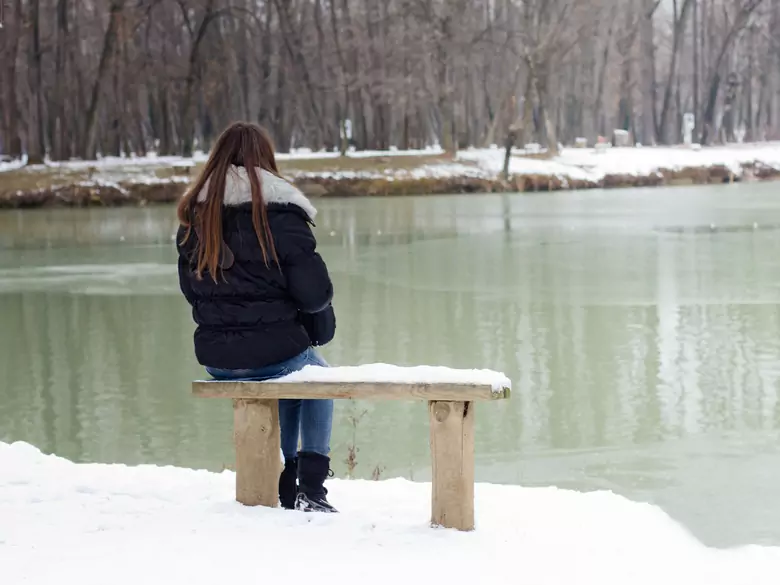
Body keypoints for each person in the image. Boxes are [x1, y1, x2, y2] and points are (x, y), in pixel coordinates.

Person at [175, 122, 337, 513]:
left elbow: (190, 292)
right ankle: (310, 486)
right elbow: (314, 293)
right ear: (265, 161)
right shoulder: (280, 212)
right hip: (274, 354)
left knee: (292, 371)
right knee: (317, 377)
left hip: (217, 360)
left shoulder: (196, 217)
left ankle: (290, 475)